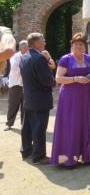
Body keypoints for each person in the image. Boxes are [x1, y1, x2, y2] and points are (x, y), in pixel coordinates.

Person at [51, 33, 90, 168]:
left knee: (86, 123)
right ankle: (68, 158)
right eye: (76, 44)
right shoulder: (66, 59)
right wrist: (75, 79)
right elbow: (58, 78)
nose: (78, 46)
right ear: (72, 46)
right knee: (71, 125)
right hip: (70, 98)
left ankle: (87, 156)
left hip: (86, 96)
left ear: (85, 47)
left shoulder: (88, 58)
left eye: (81, 44)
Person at [20, 33, 55, 164]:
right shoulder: (39, 58)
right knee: (39, 128)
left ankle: (26, 151)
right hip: (40, 98)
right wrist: (54, 80)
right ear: (36, 43)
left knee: (27, 127)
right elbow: (48, 80)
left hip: (28, 98)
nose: (45, 43)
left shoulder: (24, 56)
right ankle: (39, 156)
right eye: (42, 41)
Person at [4, 40, 29, 131]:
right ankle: (9, 124)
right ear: (23, 48)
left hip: (25, 85)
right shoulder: (15, 57)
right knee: (13, 105)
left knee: (25, 106)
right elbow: (17, 70)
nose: (28, 49)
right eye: (27, 47)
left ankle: (24, 124)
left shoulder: (27, 56)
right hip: (16, 85)